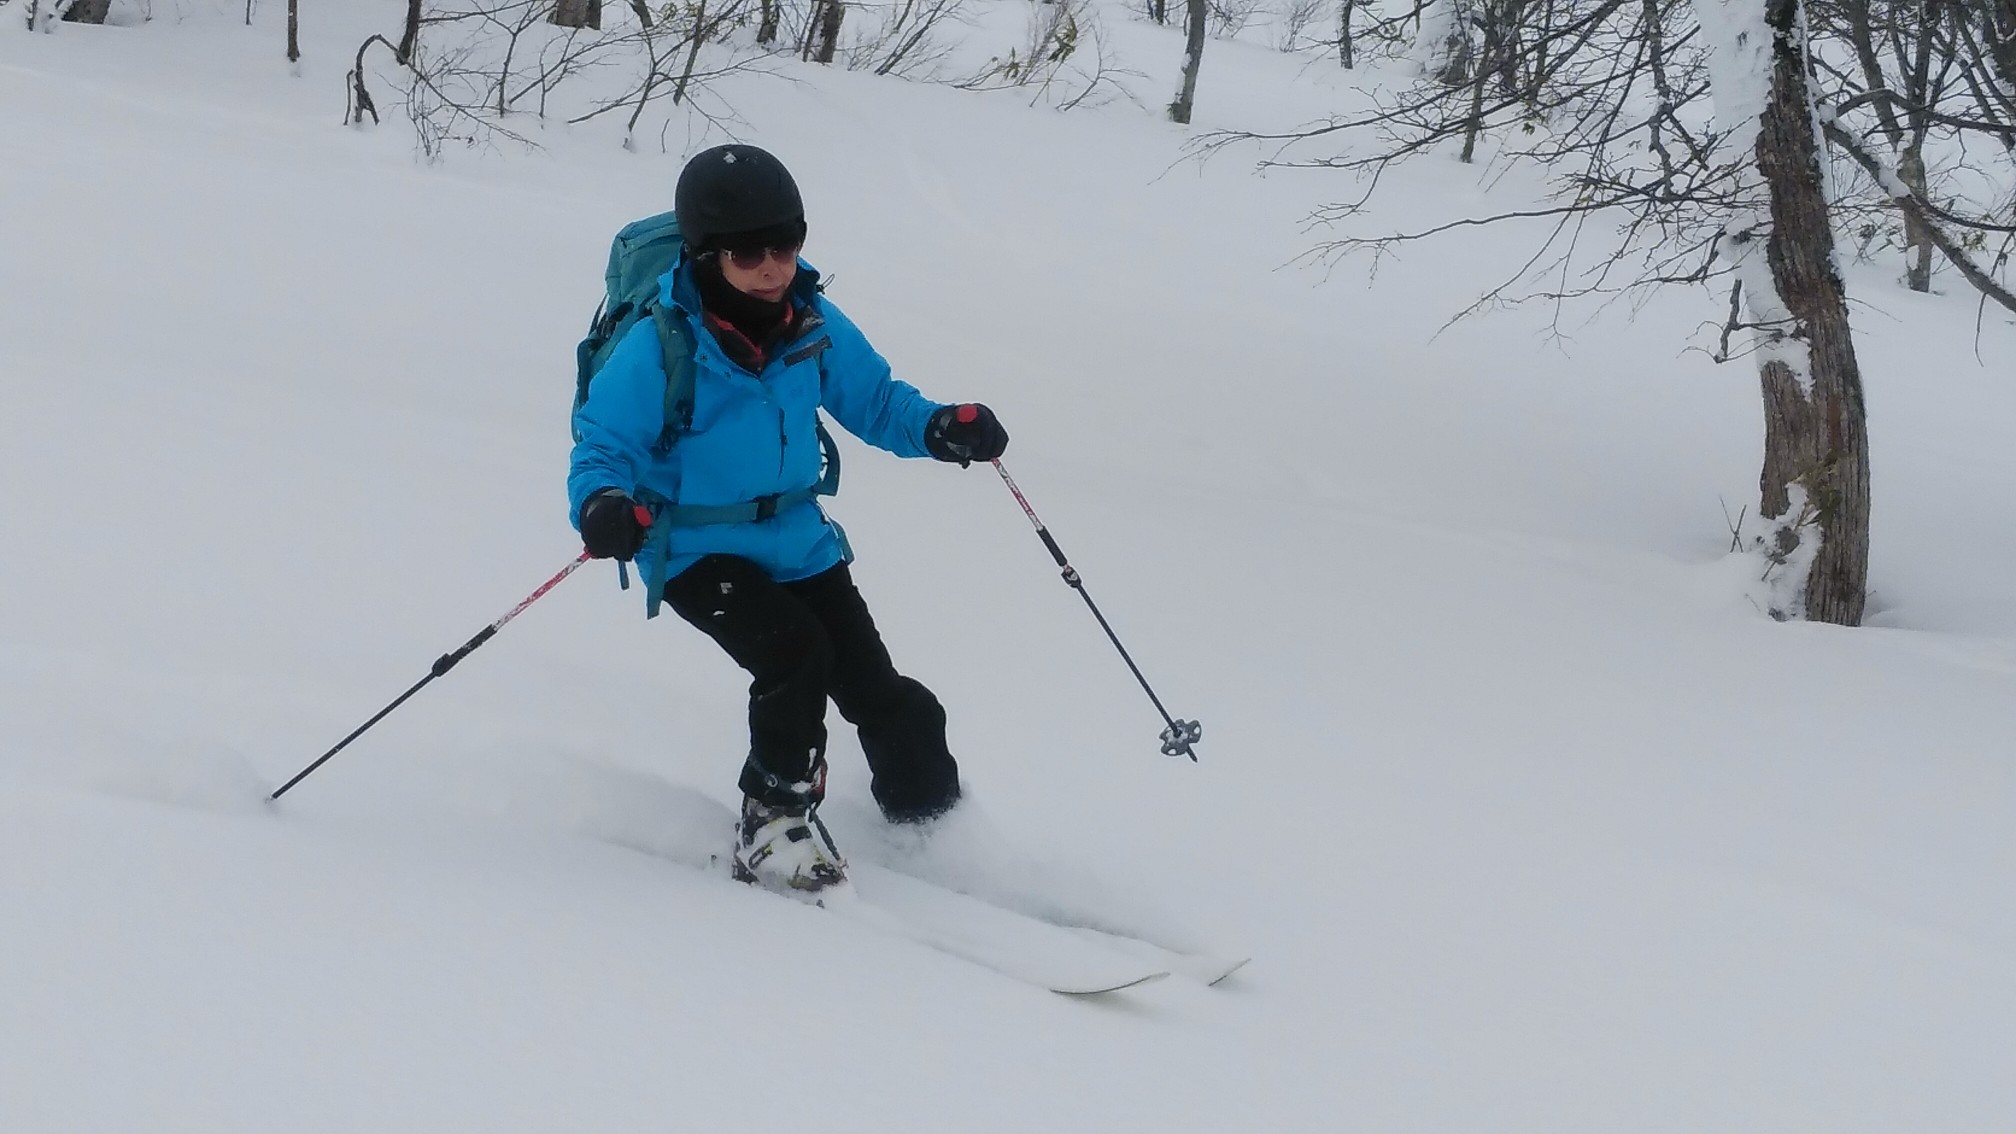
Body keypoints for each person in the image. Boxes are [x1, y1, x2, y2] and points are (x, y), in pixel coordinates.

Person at [568, 144, 1008, 897]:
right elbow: (603, 445)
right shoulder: (661, 341)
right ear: (708, 254)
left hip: (796, 538)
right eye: (750, 251)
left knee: (876, 689)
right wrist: (603, 504)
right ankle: (771, 822)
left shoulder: (810, 319)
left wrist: (939, 427)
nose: (774, 265)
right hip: (694, 544)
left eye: (788, 241)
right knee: (795, 653)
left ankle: (932, 826)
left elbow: (876, 402)